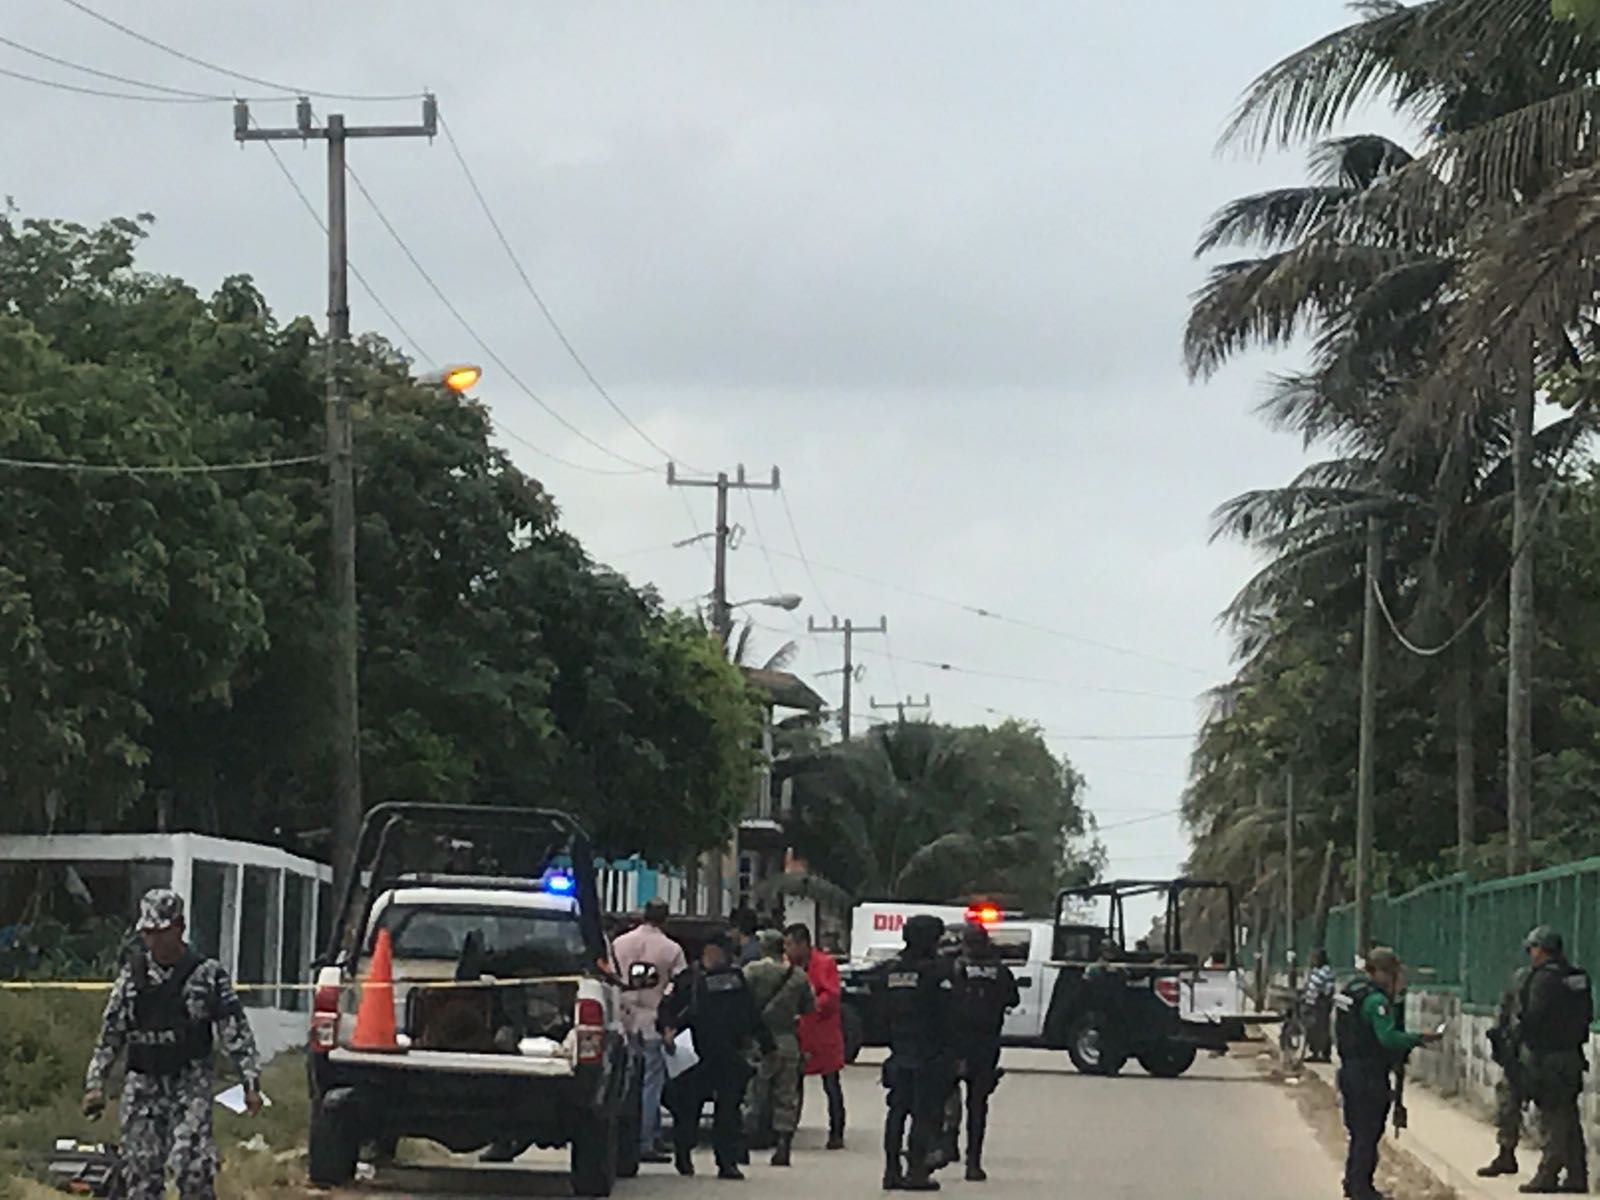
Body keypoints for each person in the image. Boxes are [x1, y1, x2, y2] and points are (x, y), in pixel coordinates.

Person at [82, 888, 262, 1200]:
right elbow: (112, 1032)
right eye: (148, 933)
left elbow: (235, 1030)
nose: (153, 941)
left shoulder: (207, 975)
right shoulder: (133, 976)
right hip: (143, 1084)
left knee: (193, 1169)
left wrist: (250, 1082)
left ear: (179, 928)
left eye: (160, 932)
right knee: (140, 1172)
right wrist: (95, 1083)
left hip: (188, 1082)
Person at [660, 931, 773, 1180]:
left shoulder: (735, 980)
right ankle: (683, 1153)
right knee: (688, 1110)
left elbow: (750, 1014)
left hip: (728, 1054)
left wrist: (766, 1044)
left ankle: (727, 1162)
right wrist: (668, 1030)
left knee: (729, 1112)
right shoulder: (687, 979)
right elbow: (667, 1008)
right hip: (694, 1055)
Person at [1334, 946, 1440, 1200]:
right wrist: (1418, 1038)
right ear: (1380, 972)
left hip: (1350, 1070)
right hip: (1368, 1075)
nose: (1396, 979)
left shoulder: (1354, 991)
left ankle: (1354, 1181)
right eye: (1392, 973)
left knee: (1359, 1132)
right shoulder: (1375, 1001)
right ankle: (1361, 1187)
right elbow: (1388, 1037)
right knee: (1368, 1132)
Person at [881, 914, 955, 1192]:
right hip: (928, 1054)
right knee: (924, 1114)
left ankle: (891, 1170)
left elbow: (882, 1013)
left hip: (899, 1051)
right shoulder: (937, 972)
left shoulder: (891, 970)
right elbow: (948, 1015)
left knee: (896, 1112)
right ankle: (915, 1171)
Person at [941, 923, 1019, 1182]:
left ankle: (949, 1143)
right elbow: (1013, 999)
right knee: (978, 1104)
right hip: (987, 1044)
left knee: (948, 1094)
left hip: (956, 1041)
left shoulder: (955, 967)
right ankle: (973, 1162)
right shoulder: (1000, 970)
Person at [1516, 925, 1592, 1194]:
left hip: (1548, 1058)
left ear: (1542, 949)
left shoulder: (1542, 979)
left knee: (1553, 1118)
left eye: (1532, 949)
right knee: (1568, 1116)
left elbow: (1532, 1018)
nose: (1530, 954)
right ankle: (1577, 1174)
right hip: (1571, 1055)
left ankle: (1548, 1173)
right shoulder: (1577, 977)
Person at [611, 898, 687, 1165]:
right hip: (654, 1019)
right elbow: (680, 986)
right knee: (651, 1084)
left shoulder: (619, 944)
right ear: (666, 919)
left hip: (623, 1017)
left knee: (623, 1082)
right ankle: (646, 1140)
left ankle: (628, 1137)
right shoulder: (672, 949)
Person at [743, 929, 815, 1166]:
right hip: (786, 1040)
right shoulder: (798, 976)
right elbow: (808, 1007)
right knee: (786, 1096)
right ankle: (783, 1146)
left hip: (758, 1042)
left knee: (754, 1094)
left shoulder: (751, 971)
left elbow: (740, 1002)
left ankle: (744, 1145)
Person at [791, 922, 848, 1150]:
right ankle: (787, 1130)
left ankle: (837, 1131)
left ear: (804, 944)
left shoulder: (824, 964)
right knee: (792, 1084)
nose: (787, 949)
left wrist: (809, 1007)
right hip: (799, 1031)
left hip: (823, 1032)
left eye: (790, 944)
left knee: (831, 1083)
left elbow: (831, 995)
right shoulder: (790, 967)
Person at [1478, 959, 1531, 1178]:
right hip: (1519, 1054)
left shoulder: (1541, 984)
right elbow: (1502, 1018)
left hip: (1535, 1055)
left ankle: (1557, 1163)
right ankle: (1506, 1153)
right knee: (1508, 1101)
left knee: (1551, 1111)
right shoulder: (1525, 982)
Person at [1302, 948, 1337, 1064]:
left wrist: (1321, 999)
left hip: (1320, 1004)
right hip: (1312, 1003)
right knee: (1313, 1028)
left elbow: (1328, 989)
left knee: (1321, 1028)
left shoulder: (1326, 972)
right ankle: (1315, 1052)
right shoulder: (1316, 971)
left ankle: (1324, 1053)